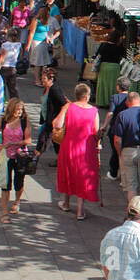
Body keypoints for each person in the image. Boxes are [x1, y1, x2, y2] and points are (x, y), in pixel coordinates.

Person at [54, 82, 101, 220]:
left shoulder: (68, 107)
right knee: (83, 176)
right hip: (86, 149)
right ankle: (80, 210)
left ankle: (66, 203)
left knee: (68, 172)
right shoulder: (94, 111)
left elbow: (57, 124)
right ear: (87, 96)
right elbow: (96, 132)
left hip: (69, 146)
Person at [0, 95, 32, 223]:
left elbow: (28, 140)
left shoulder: (25, 121)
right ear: (11, 109)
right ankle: (4, 212)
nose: (19, 112)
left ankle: (17, 201)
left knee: (19, 183)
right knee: (5, 185)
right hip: (6, 157)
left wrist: (14, 144)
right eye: (17, 110)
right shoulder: (3, 121)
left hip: (20, 157)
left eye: (21, 110)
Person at [36, 66, 67, 164]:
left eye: (44, 79)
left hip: (52, 121)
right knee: (54, 141)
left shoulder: (54, 89)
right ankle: (60, 159)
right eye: (42, 78)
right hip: (48, 120)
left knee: (43, 139)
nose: (42, 80)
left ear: (51, 79)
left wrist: (58, 118)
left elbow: (65, 103)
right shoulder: (47, 88)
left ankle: (33, 159)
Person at [93, 28, 125, 108]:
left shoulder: (104, 45)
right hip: (115, 68)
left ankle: (102, 102)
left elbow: (97, 55)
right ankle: (112, 103)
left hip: (104, 67)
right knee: (113, 86)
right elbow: (124, 56)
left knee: (103, 85)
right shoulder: (119, 47)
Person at [25, 7, 52, 87]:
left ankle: (43, 79)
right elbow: (31, 33)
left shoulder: (47, 21)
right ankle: (37, 80)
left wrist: (47, 38)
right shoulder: (36, 20)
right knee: (38, 63)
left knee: (44, 63)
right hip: (37, 42)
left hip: (43, 43)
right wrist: (28, 45)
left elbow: (46, 32)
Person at [0, 29, 22, 99]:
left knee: (2, 87)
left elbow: (2, 57)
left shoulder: (5, 45)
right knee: (13, 88)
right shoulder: (18, 45)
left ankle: (1, 103)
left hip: (4, 67)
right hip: (13, 68)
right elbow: (19, 56)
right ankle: (14, 103)